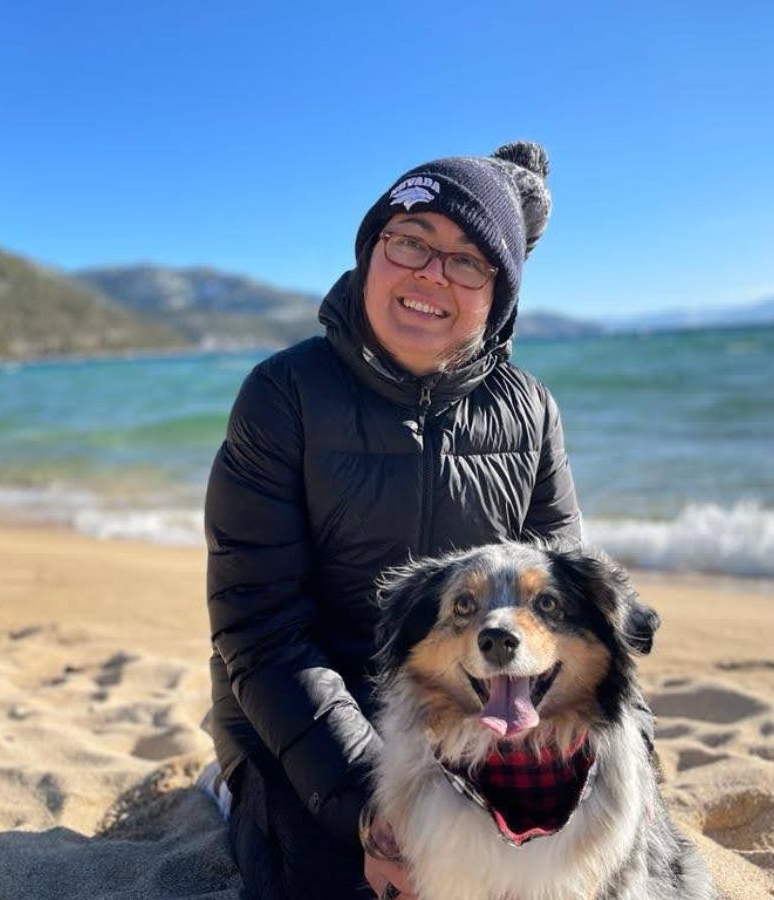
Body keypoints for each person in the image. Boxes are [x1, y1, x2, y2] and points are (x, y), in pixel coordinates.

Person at [204, 141, 581, 899]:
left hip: (468, 708)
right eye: (411, 241)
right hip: (300, 717)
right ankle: (229, 784)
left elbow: (562, 615)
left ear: (499, 294)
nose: (431, 275)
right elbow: (261, 628)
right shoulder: (284, 395)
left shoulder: (530, 410)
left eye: (469, 260)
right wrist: (380, 806)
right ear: (372, 250)